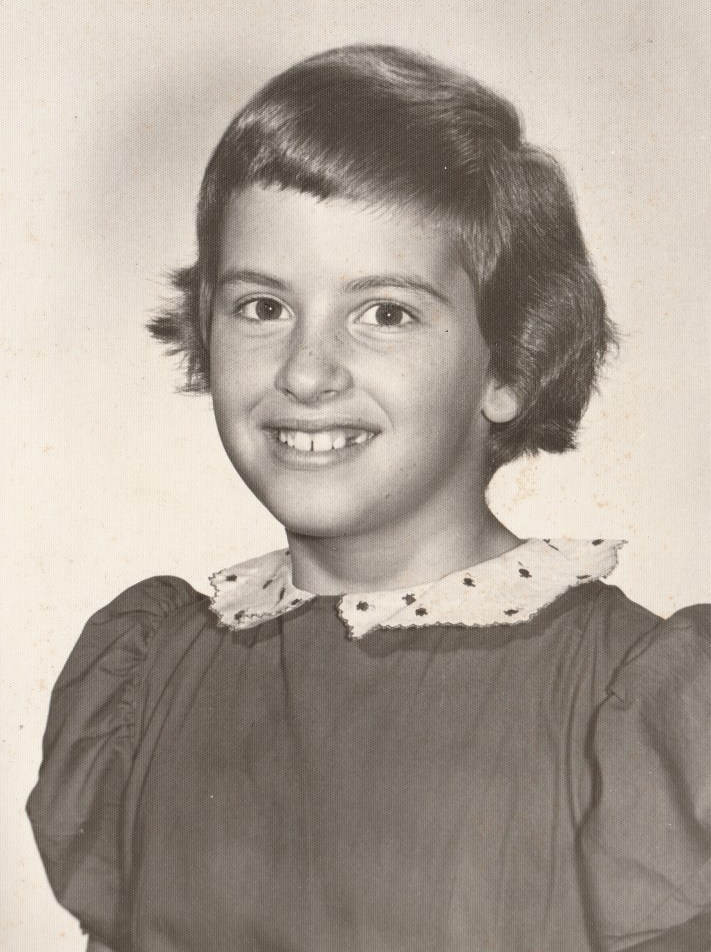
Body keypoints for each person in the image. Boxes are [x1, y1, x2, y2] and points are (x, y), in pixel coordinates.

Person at [28, 46, 710, 952]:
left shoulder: (624, 700)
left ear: (509, 365)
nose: (306, 372)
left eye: (384, 313)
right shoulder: (149, 675)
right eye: (262, 307)